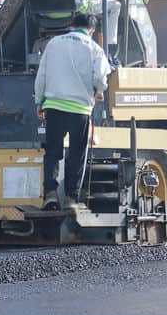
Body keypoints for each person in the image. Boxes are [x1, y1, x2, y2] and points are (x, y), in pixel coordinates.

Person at [34, 12, 111, 211]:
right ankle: (71, 198)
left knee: (52, 152)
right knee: (77, 153)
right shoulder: (95, 49)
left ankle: (50, 195)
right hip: (80, 110)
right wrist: (99, 92)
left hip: (55, 107)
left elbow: (41, 75)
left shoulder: (53, 44)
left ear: (72, 25)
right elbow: (100, 79)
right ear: (91, 30)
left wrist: (39, 101)